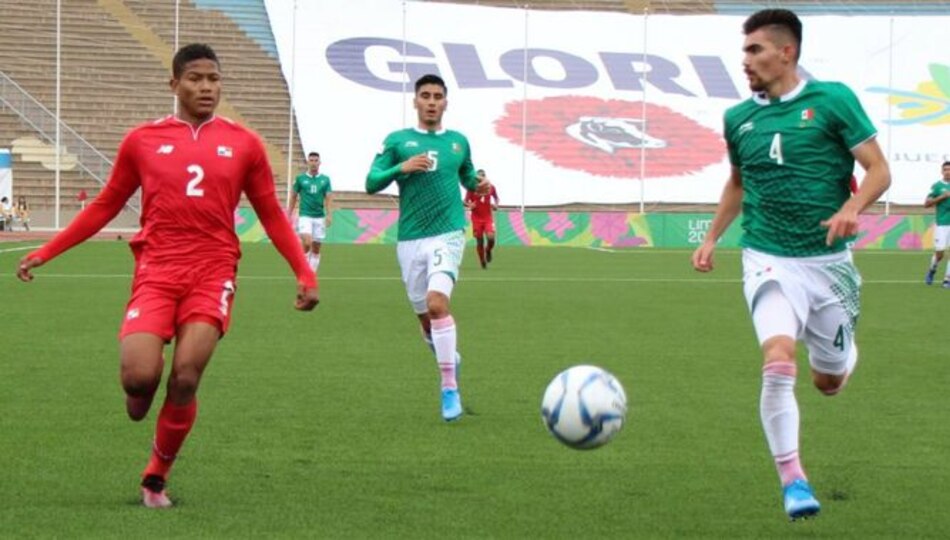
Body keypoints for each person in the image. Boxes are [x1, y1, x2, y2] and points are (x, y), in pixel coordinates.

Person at [16, 43, 319, 509]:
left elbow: (272, 215)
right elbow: (105, 205)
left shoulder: (245, 144)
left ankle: (155, 478)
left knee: (185, 377)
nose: (206, 87)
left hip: (213, 270)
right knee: (139, 379)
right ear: (173, 84)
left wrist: (304, 271)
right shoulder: (142, 140)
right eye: (195, 78)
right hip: (157, 270)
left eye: (214, 79)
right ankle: (141, 394)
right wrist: (48, 250)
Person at [690, 9, 891, 520]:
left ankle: (841, 361)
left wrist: (851, 208)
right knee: (778, 357)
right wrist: (712, 237)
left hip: (828, 265)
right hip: (767, 256)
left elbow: (879, 170)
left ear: (787, 52)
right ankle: (793, 480)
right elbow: (737, 181)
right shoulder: (738, 118)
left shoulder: (833, 100)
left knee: (827, 383)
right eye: (744, 51)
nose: (746, 61)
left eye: (755, 50)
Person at [366, 73, 490, 422]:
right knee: (426, 320)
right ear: (415, 101)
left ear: (446, 102)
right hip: (410, 239)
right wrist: (400, 167)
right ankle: (448, 355)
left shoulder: (458, 142)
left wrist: (480, 183)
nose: (432, 101)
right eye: (426, 95)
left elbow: (467, 177)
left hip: (448, 233)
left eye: (438, 96)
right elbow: (371, 182)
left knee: (438, 304)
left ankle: (448, 386)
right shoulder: (398, 141)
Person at [287, 151, 333, 272]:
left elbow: (328, 198)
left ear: (319, 163)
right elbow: (293, 196)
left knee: (316, 249)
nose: (313, 163)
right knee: (307, 242)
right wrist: (288, 214)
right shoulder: (300, 179)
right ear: (307, 162)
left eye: (315, 161)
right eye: (311, 160)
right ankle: (303, 270)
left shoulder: (325, 180)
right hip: (305, 215)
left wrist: (329, 214)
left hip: (319, 217)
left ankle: (311, 275)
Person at [463, 169, 499, 269]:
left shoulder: (491, 187)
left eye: (483, 176)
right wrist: (470, 204)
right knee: (480, 241)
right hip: (476, 219)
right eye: (479, 177)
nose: (480, 179)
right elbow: (465, 202)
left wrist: (496, 204)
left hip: (488, 218)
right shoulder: (471, 189)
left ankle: (488, 250)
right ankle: (482, 260)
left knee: (491, 238)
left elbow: (496, 197)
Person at [923, 161, 950, 287]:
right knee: (940, 254)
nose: (948, 172)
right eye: (945, 169)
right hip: (942, 224)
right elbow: (927, 204)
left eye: (949, 169)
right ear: (942, 171)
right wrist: (942, 197)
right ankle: (932, 269)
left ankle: (947, 279)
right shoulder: (937, 186)